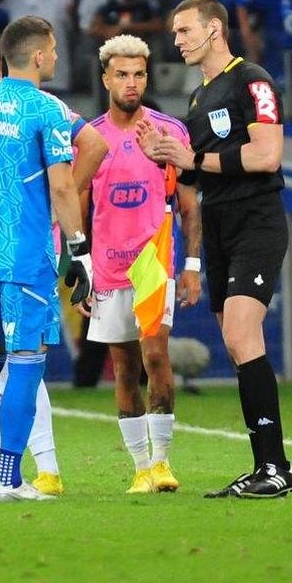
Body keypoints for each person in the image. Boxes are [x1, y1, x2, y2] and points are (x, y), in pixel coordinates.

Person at [136, 0, 292, 499]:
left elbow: (267, 155)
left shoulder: (253, 80)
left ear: (214, 30)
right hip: (221, 221)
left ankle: (275, 467)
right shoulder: (198, 96)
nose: (176, 40)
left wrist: (193, 158)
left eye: (184, 30)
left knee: (245, 333)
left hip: (256, 219)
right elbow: (198, 166)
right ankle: (266, 465)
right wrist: (163, 156)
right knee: (234, 341)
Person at [0, 25, 107, 497]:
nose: (56, 56)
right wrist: (79, 250)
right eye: (54, 50)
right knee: (26, 361)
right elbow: (60, 185)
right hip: (25, 255)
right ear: (38, 57)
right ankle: (9, 479)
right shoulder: (47, 108)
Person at [84, 34, 201, 493]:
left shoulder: (169, 131)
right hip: (108, 268)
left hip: (154, 264)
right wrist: (80, 271)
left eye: (139, 75)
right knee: (124, 368)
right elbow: (75, 204)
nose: (132, 83)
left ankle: (162, 462)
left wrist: (191, 263)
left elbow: (190, 205)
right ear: (106, 79)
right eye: (122, 75)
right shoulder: (89, 139)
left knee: (156, 355)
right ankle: (138, 468)